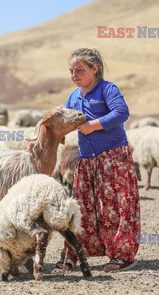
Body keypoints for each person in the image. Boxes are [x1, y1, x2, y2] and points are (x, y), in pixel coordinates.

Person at [57, 48, 140, 273]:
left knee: (116, 207)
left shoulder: (107, 89)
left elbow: (121, 113)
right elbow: (64, 121)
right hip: (86, 161)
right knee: (81, 208)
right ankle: (73, 253)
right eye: (71, 71)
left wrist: (93, 125)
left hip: (113, 159)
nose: (74, 75)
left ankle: (123, 255)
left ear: (95, 69)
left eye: (80, 70)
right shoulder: (73, 97)